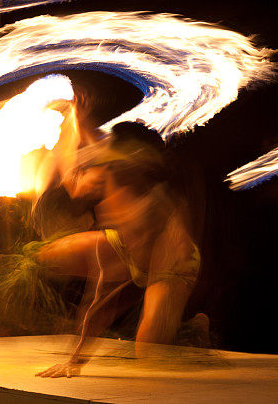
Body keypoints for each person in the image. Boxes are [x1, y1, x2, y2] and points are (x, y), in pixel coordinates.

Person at [34, 122, 201, 378]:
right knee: (45, 257)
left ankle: (193, 329)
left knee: (148, 352)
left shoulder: (152, 212)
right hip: (125, 247)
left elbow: (104, 300)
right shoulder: (110, 174)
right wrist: (74, 119)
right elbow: (75, 177)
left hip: (170, 268)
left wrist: (76, 359)